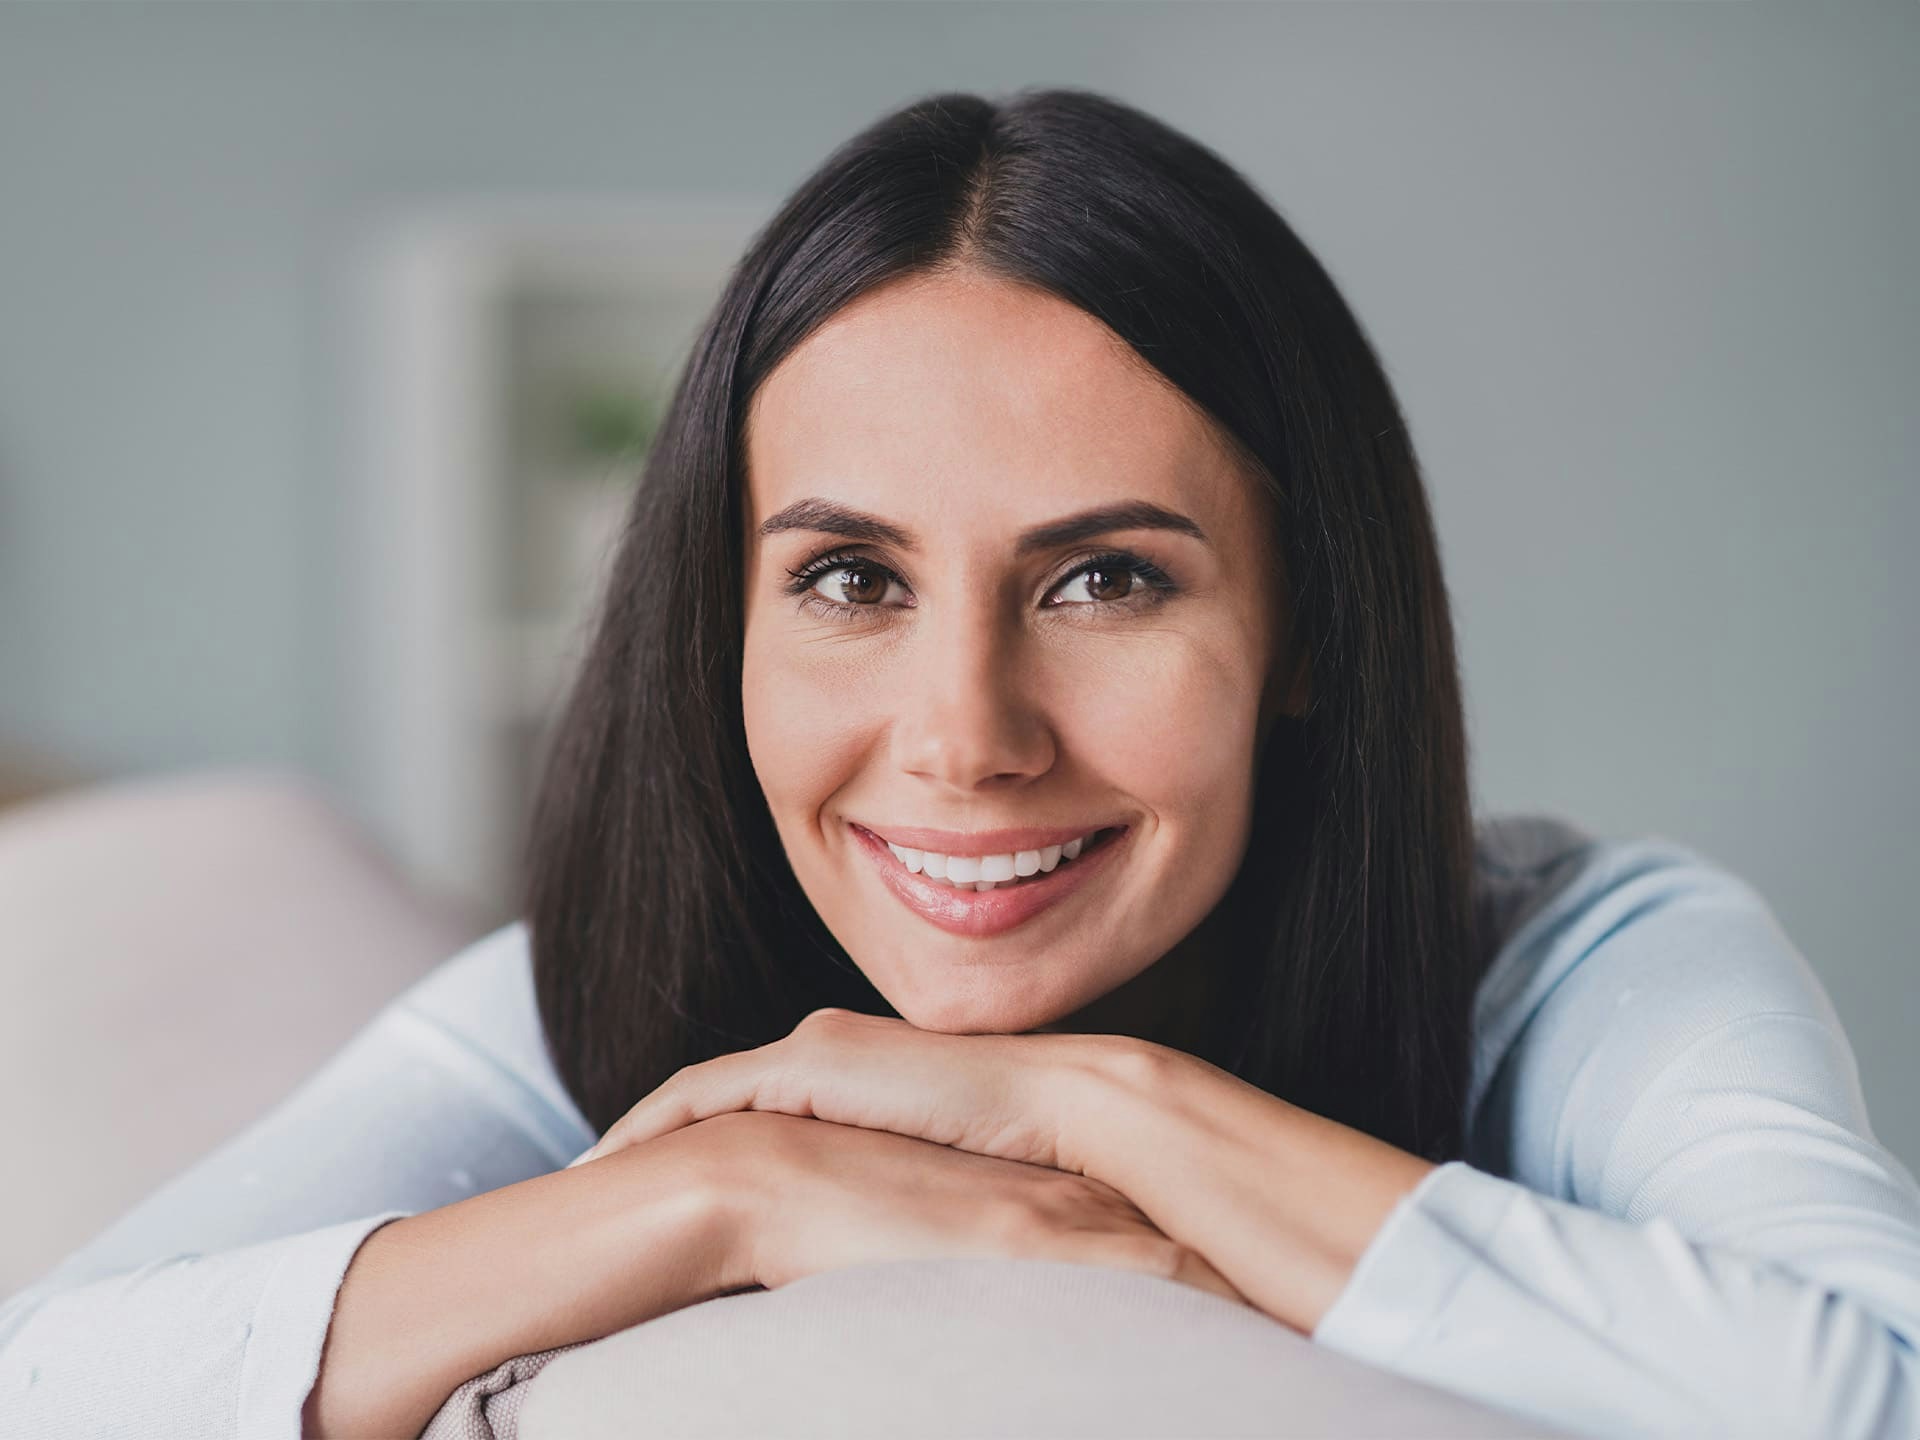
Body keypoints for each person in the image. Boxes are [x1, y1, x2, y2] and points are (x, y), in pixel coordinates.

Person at [4, 86, 1918, 1440]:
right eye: (849, 576)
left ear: (1313, 630)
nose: (964, 739)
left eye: (1102, 580)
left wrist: (1099, 1109)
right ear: (720, 618)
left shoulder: (1582, 954)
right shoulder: (596, 1002)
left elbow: (1864, 1390)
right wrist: (724, 1195)